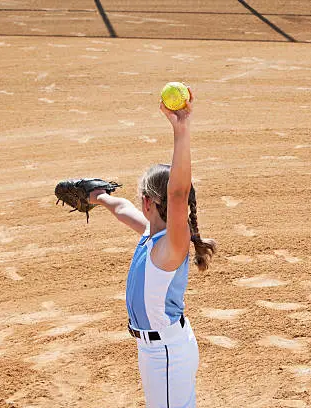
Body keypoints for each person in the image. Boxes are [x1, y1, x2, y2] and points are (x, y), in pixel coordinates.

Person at [89, 87, 216, 408]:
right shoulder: (152, 234)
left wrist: (181, 128)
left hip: (166, 353)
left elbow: (176, 193)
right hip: (155, 350)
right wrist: (100, 196)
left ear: (147, 201)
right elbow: (120, 208)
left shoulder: (171, 245)